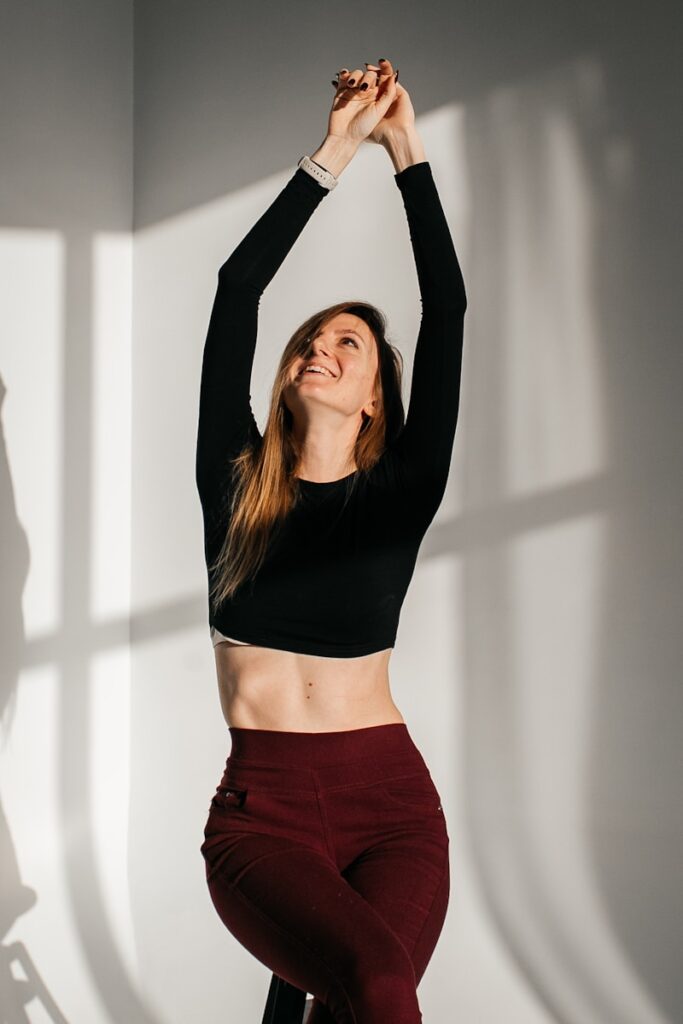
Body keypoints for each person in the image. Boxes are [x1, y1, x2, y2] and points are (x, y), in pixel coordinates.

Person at [195, 56, 467, 1024]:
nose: (322, 346)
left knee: (360, 995)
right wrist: (333, 151)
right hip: (264, 814)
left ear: (373, 398)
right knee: (376, 988)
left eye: (348, 344)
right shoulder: (232, 485)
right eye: (312, 337)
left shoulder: (400, 493)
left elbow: (448, 310)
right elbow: (237, 289)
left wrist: (406, 151)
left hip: (391, 804)